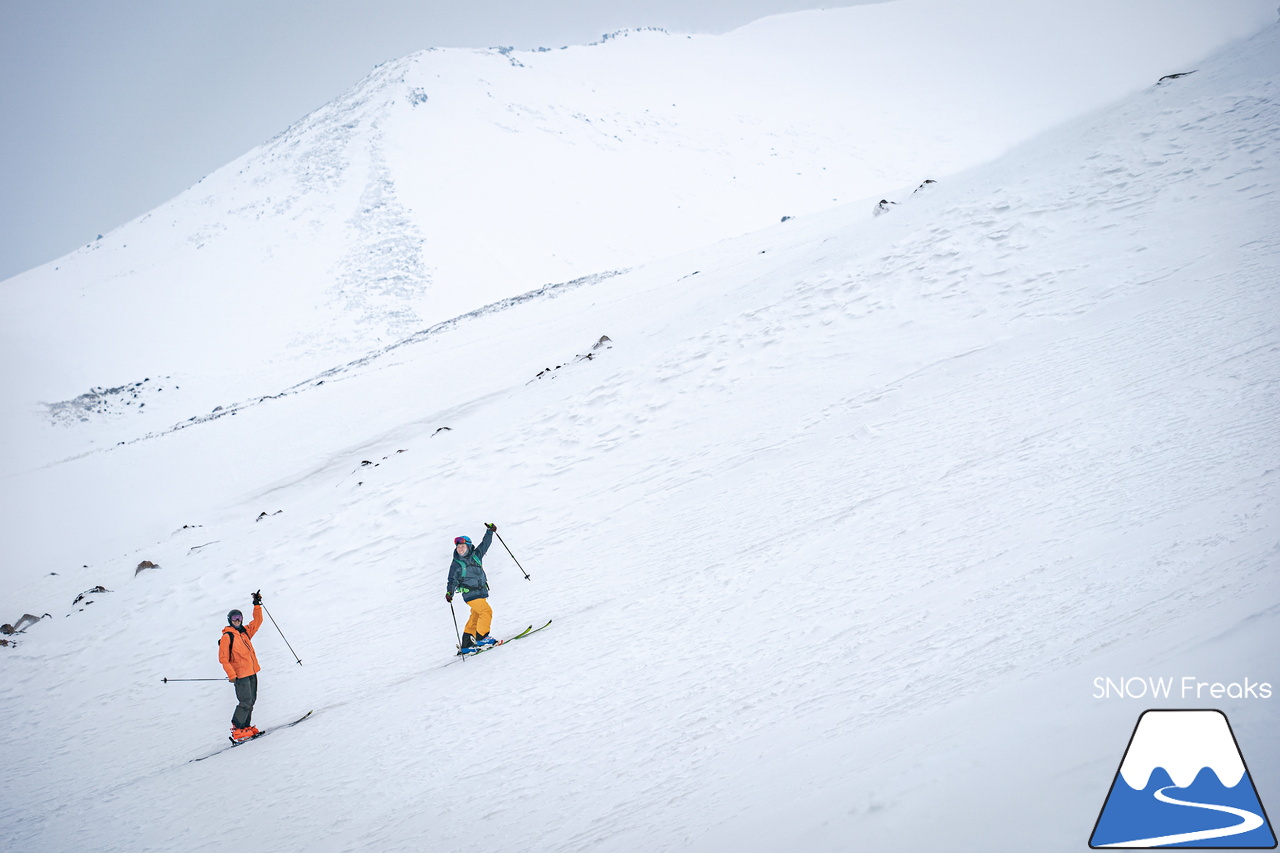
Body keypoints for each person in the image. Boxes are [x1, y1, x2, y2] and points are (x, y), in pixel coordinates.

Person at [219, 591, 264, 742]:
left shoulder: (245, 633)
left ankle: (246, 727)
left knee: (251, 700)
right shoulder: (227, 637)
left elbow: (257, 622)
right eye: (234, 618)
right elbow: (223, 658)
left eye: (239, 618)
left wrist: (256, 604)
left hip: (251, 672)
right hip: (240, 675)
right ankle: (237, 729)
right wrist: (232, 675)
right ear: (229, 620)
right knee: (245, 702)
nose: (237, 621)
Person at [446, 523, 498, 654]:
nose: (460, 549)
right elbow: (452, 579)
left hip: (481, 592)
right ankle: (482, 638)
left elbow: (485, 544)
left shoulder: (476, 555)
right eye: (458, 547)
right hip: (470, 594)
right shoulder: (456, 564)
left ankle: (467, 644)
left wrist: (490, 531)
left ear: (468, 547)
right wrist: (449, 592)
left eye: (463, 546)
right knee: (486, 611)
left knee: (475, 616)